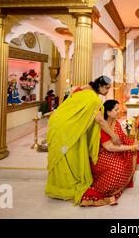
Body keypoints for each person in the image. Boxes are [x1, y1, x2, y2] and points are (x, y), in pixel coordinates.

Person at [45, 76, 122, 205]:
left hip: (59, 125)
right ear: (100, 86)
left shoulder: (81, 89)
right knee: (70, 159)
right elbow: (100, 120)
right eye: (107, 88)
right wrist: (113, 135)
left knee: (62, 158)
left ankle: (57, 189)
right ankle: (67, 189)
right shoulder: (93, 99)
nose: (108, 91)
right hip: (69, 130)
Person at [81, 100, 139, 206]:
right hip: (102, 154)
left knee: (127, 159)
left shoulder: (115, 122)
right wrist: (131, 147)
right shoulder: (102, 126)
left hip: (114, 151)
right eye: (116, 109)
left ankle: (115, 187)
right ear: (108, 112)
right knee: (117, 167)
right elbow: (109, 147)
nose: (119, 111)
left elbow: (122, 138)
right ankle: (105, 191)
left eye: (119, 109)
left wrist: (134, 143)